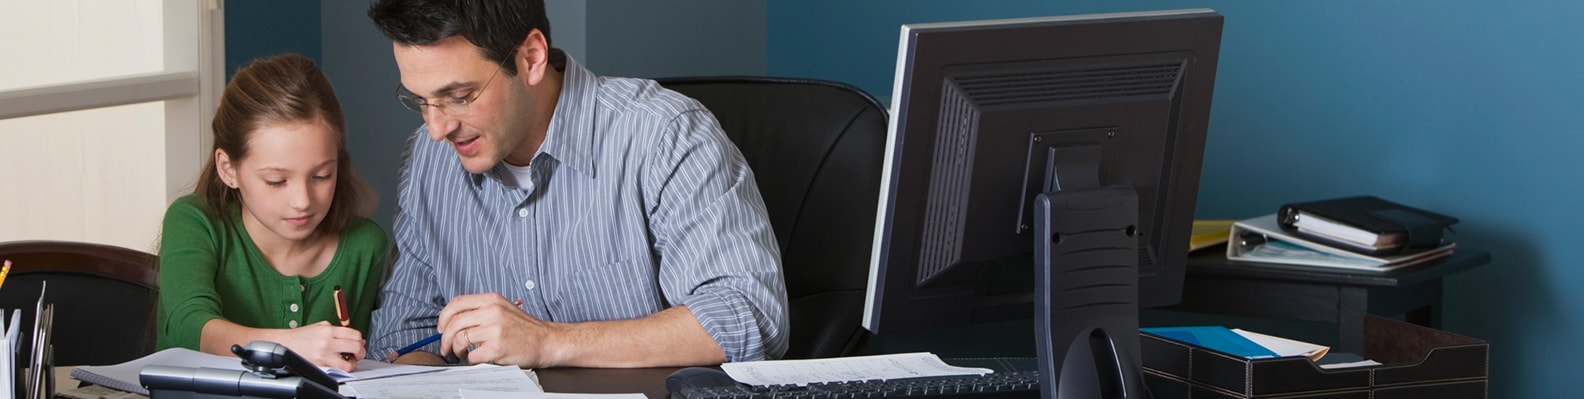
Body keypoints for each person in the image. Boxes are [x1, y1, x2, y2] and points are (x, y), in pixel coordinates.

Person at [366, 0, 788, 368]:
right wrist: (414, 368)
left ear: (531, 57)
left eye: (459, 96)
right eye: (420, 100)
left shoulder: (665, 135)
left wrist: (550, 342)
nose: (437, 128)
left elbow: (748, 316)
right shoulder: (427, 158)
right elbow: (402, 334)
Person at [157, 54, 389, 371]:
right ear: (228, 169)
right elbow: (189, 327)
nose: (302, 200)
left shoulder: (365, 245)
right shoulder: (194, 221)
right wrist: (287, 347)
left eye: (322, 176)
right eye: (276, 181)